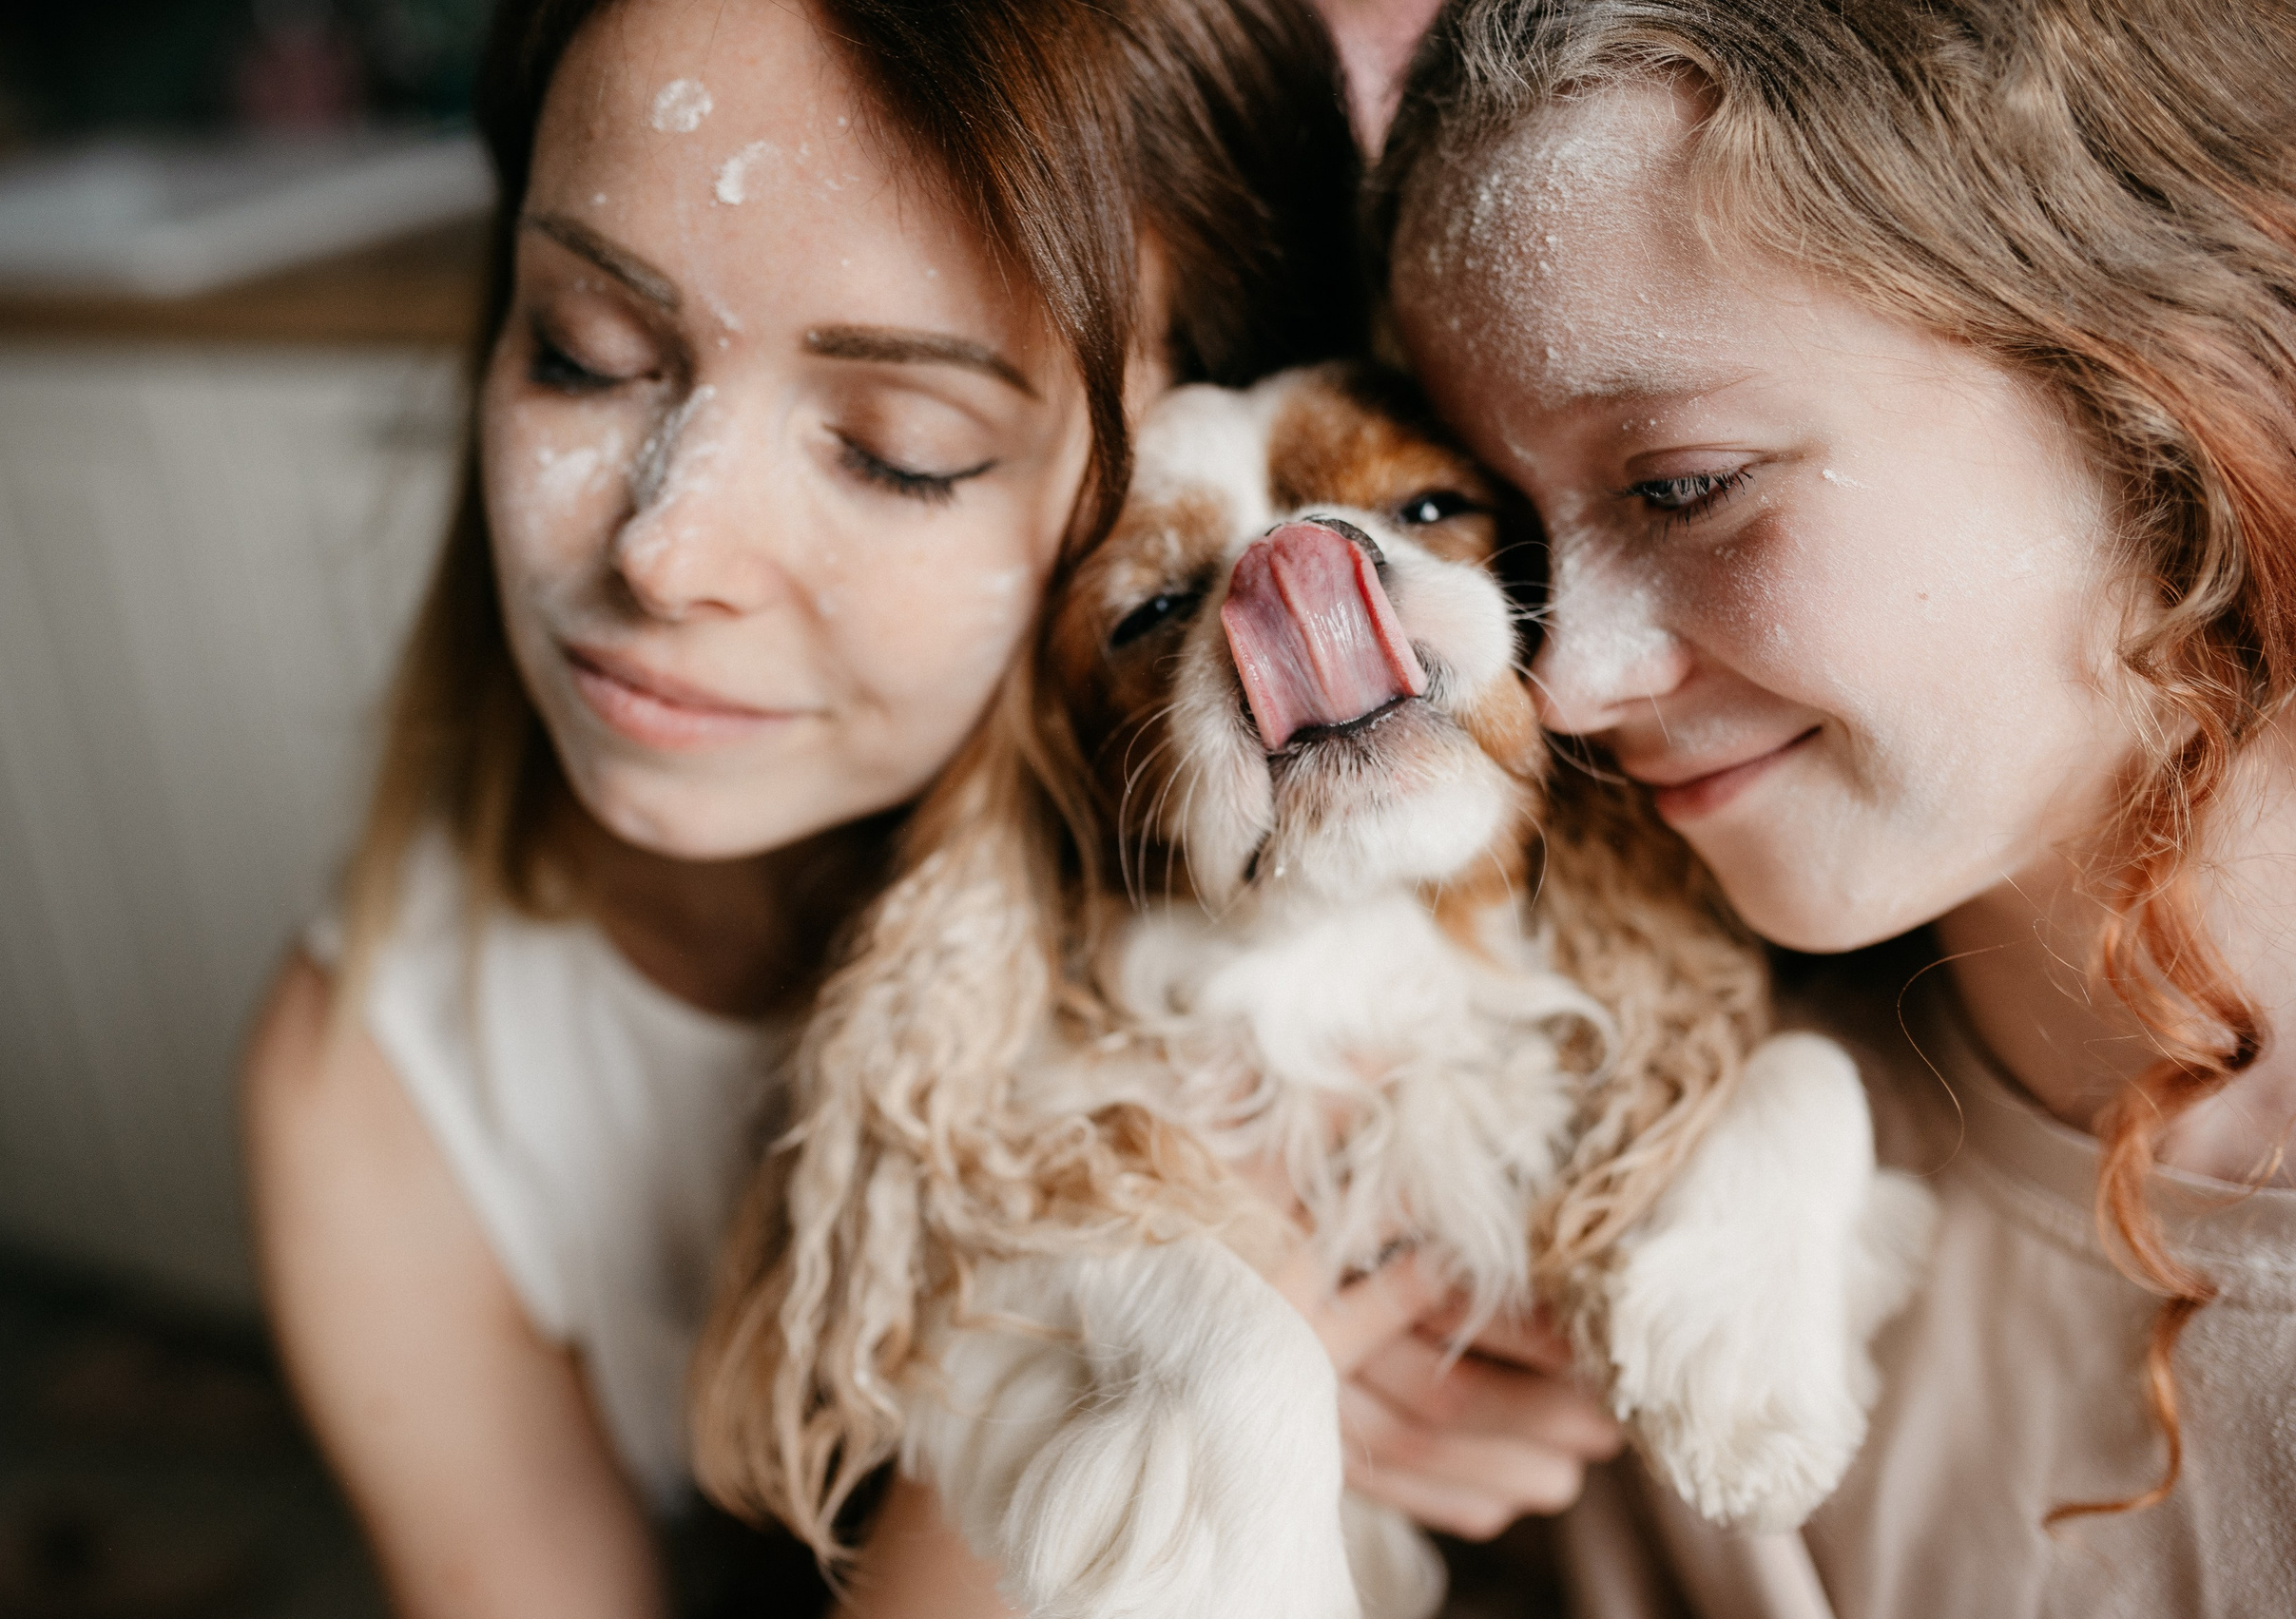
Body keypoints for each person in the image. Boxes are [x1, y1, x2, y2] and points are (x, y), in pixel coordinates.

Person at [242, 0, 1617, 1612]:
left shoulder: (1445, 899)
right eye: (584, 349)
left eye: (901, 450)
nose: (663, 554)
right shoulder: (380, 1076)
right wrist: (1110, 1418)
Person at [1380, 0, 2296, 1613]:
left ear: (2163, 377)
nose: (1569, 679)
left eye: (1681, 487)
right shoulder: (1661, 1288)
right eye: (1506, 536)